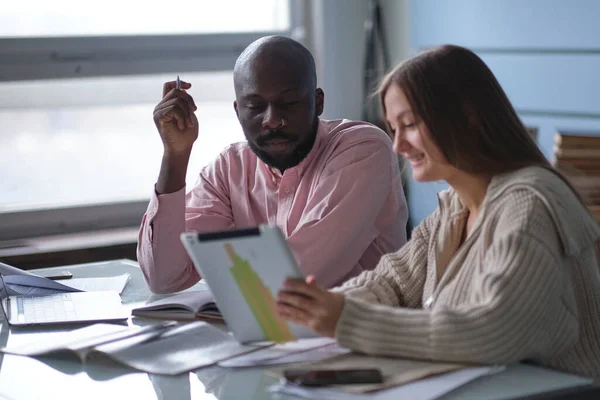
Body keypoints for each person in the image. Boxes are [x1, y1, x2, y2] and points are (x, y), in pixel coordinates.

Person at [276, 44, 600, 378]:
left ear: (467, 117)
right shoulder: (454, 208)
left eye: (410, 124)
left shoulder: (529, 204)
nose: (398, 145)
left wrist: (345, 319)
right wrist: (312, 312)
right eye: (393, 129)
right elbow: (393, 285)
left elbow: (493, 332)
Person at [137, 35, 408, 293]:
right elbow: (164, 279)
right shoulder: (229, 169)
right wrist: (175, 156)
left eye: (288, 103)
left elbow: (301, 275)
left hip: (362, 335)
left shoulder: (363, 149)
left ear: (318, 101)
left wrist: (219, 267)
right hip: (269, 334)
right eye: (255, 106)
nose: (273, 120)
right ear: (238, 111)